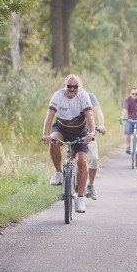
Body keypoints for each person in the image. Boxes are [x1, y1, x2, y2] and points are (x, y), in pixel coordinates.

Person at [42, 74, 96, 213]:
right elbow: (49, 116)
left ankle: (80, 199)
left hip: (79, 131)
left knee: (82, 161)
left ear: (79, 87)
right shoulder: (58, 96)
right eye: (69, 86)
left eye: (75, 87)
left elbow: (90, 115)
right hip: (61, 128)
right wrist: (46, 134)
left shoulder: (83, 96)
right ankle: (59, 172)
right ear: (64, 85)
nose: (72, 89)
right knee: (54, 141)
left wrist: (91, 133)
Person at [85, 90, 106, 200]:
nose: (74, 89)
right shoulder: (66, 97)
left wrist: (101, 125)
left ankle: (90, 185)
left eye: (77, 86)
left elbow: (98, 111)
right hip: (72, 134)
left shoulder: (89, 97)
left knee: (93, 159)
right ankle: (67, 183)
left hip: (88, 134)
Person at [120, 87, 137, 155]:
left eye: (136, 94)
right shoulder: (127, 100)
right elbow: (125, 110)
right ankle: (128, 146)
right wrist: (122, 118)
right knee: (127, 131)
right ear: (130, 94)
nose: (134, 95)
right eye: (132, 94)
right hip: (130, 120)